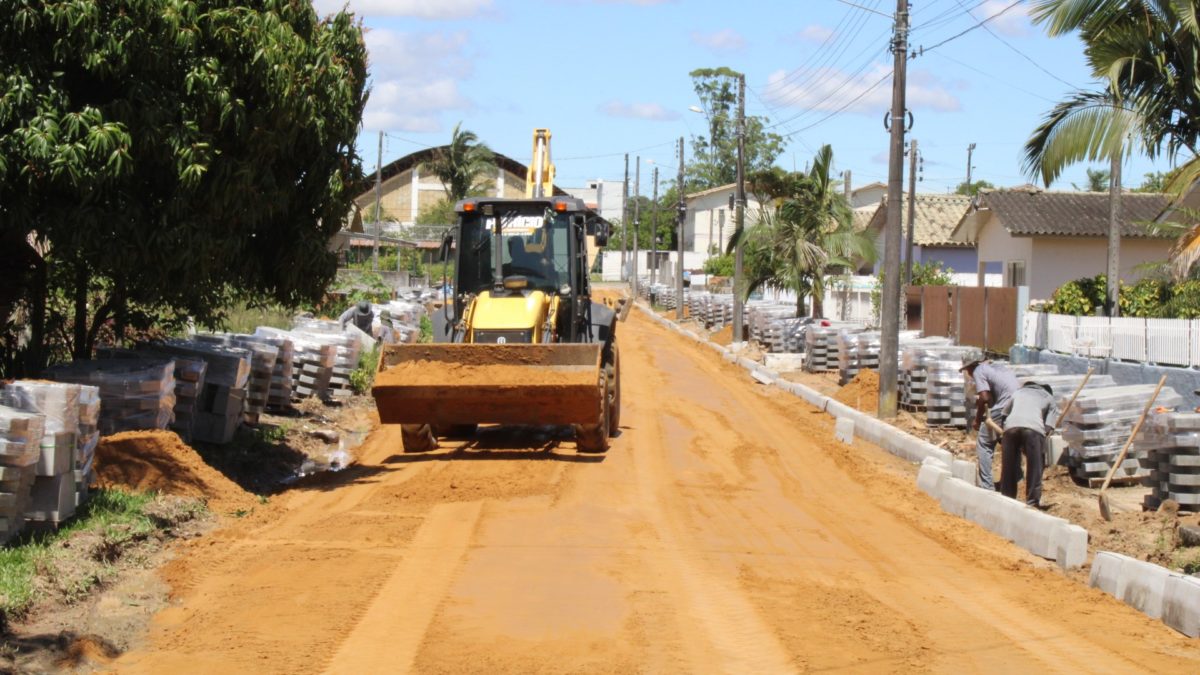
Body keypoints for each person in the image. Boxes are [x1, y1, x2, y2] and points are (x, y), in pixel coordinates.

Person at [961, 357, 1020, 491]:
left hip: (1003, 407)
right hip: (1018, 406)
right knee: (1009, 442)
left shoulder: (978, 371)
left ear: (969, 368)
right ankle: (1014, 478)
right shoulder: (997, 368)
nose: (969, 375)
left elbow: (985, 397)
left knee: (984, 443)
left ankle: (987, 486)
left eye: (966, 371)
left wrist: (977, 419)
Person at [999, 381, 1057, 509]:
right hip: (1033, 431)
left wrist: (1005, 433)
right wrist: (1037, 446)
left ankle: (1007, 499)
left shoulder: (1017, 393)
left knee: (1008, 466)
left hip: (1010, 428)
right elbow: (1048, 427)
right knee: (1035, 466)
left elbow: (1003, 415)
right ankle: (1032, 502)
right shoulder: (1049, 398)